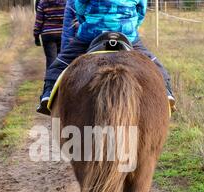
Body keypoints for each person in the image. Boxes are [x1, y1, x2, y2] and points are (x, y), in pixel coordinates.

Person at [36, 0, 176, 115]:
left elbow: (79, 7)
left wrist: (86, 20)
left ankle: (48, 92)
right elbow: (142, 11)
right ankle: (167, 92)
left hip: (91, 33)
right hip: (128, 34)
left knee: (61, 62)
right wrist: (133, 26)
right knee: (154, 64)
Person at [33, 0, 66, 70]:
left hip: (48, 35)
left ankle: (50, 79)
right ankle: (60, 79)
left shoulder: (42, 3)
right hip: (62, 34)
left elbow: (38, 22)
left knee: (51, 60)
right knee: (62, 60)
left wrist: (36, 36)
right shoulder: (65, 2)